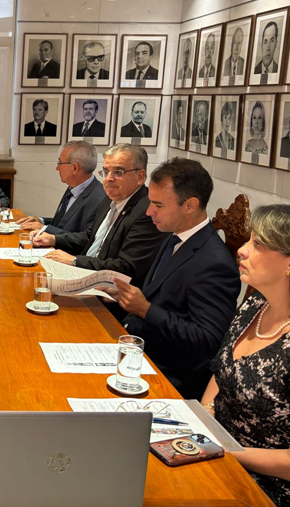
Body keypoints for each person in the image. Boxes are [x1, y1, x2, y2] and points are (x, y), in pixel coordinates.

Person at [201, 204, 290, 507]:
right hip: (223, 459)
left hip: (272, 491)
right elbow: (222, 373)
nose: (242, 250)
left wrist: (220, 449)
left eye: (257, 244)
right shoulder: (256, 304)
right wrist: (202, 418)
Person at [99, 158, 240, 399]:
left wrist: (145, 309)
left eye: (158, 205)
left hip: (168, 375)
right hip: (137, 349)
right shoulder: (174, 236)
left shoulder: (213, 262)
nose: (149, 211)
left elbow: (208, 339)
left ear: (190, 205)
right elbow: (158, 292)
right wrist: (122, 293)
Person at [33, 144, 165, 288]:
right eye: (106, 171)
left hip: (110, 291)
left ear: (140, 177)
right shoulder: (110, 199)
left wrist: (75, 261)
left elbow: (126, 267)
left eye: (118, 172)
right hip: (84, 275)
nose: (108, 179)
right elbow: (90, 236)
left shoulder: (146, 212)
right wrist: (53, 239)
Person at [16, 141, 106, 236]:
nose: (57, 168)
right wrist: (41, 221)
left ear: (75, 168)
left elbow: (85, 240)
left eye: (60, 163)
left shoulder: (99, 199)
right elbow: (64, 223)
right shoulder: (74, 186)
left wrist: (45, 228)